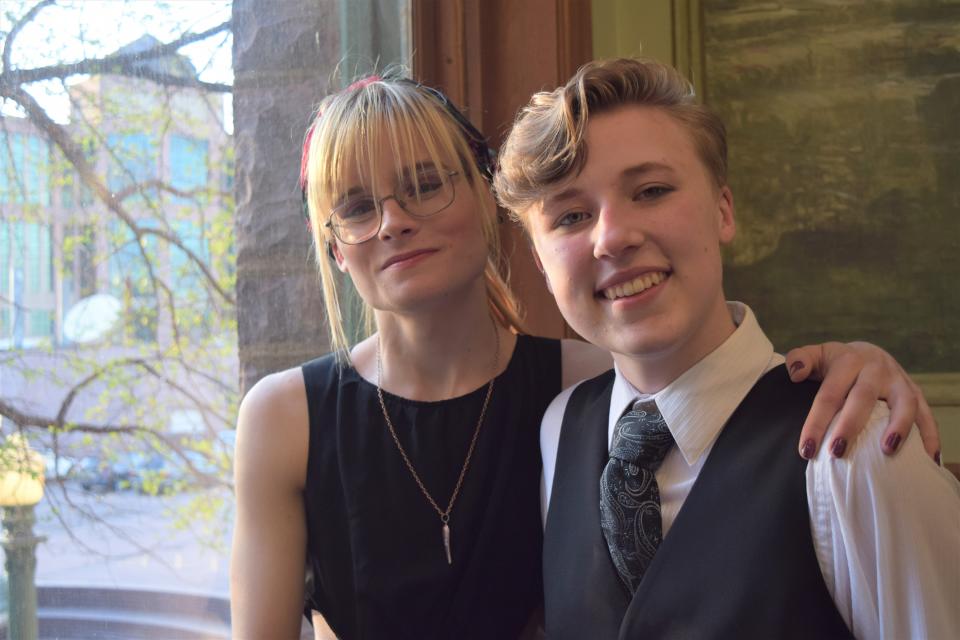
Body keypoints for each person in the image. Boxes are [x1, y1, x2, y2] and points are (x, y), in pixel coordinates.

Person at [229, 72, 941, 640]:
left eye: (424, 184)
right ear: (331, 245)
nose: (394, 222)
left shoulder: (586, 389)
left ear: (485, 203)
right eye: (355, 206)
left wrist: (864, 367)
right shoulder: (569, 420)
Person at [494, 57, 960, 638]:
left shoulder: (853, 446)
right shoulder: (560, 430)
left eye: (652, 190)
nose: (612, 237)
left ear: (723, 210)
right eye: (571, 216)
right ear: (540, 263)